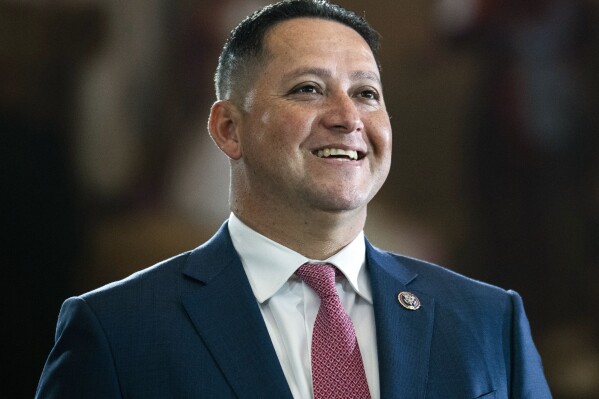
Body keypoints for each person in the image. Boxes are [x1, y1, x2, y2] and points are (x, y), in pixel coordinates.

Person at [36, 1, 552, 397]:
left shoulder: (490, 321)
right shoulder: (116, 331)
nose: (348, 116)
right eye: (308, 89)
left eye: (367, 93)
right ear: (229, 129)